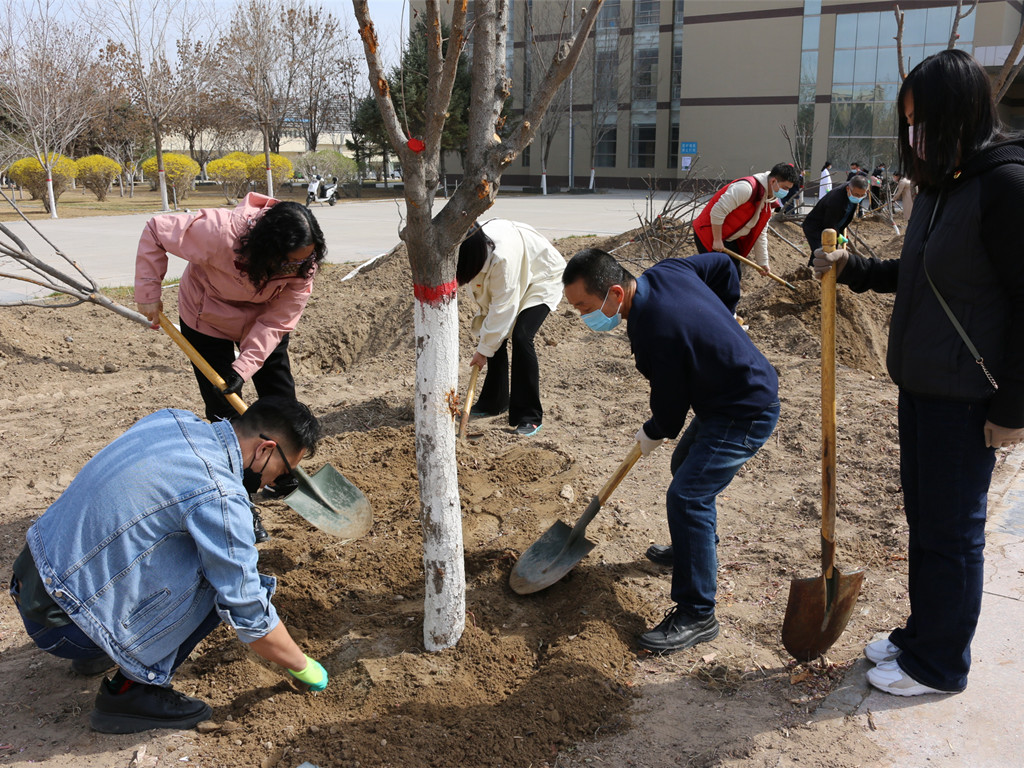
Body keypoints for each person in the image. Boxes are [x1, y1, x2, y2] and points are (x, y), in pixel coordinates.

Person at [812, 49, 1024, 697]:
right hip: (924, 386)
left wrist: (1012, 411)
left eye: (922, 120)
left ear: (959, 112)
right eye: (908, 123)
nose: (914, 135)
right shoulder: (943, 184)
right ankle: (922, 635)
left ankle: (940, 665)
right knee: (926, 524)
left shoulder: (1005, 186)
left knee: (953, 533)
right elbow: (925, 274)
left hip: (967, 397)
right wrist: (856, 269)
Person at [8, 397, 330, 733]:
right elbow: (248, 611)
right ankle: (131, 693)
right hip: (65, 629)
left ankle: (98, 652)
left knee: (163, 535)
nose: (272, 485)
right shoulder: (220, 494)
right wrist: (302, 665)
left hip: (33, 581)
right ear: (264, 450)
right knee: (220, 574)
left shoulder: (171, 420)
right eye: (282, 474)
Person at [562, 248, 780, 654]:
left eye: (585, 307)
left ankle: (698, 614)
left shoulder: (654, 331)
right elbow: (723, 265)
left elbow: (670, 413)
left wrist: (653, 431)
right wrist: (726, 311)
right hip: (725, 397)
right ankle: (693, 549)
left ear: (615, 293)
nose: (583, 316)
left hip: (745, 409)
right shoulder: (667, 271)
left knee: (688, 496)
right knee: (683, 464)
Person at [135, 193, 327, 503]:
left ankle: (281, 472)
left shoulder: (304, 266)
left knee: (280, 398)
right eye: (290, 262)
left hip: (263, 320)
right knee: (222, 406)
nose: (300, 267)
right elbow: (156, 230)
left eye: (305, 260)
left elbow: (276, 323)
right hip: (206, 315)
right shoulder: (218, 232)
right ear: (266, 249)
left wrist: (243, 368)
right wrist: (148, 291)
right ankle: (234, 480)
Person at [458, 219, 566, 436]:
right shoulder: (469, 241)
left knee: (521, 336)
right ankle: (494, 402)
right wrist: (487, 344)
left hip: (542, 277)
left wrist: (483, 352)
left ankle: (529, 416)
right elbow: (495, 315)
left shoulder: (502, 258)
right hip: (517, 272)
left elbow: (503, 310)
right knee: (493, 331)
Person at [691, 162, 799, 279]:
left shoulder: (769, 200)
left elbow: (760, 232)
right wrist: (717, 240)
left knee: (734, 277)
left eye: (788, 189)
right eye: (785, 188)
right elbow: (717, 211)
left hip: (729, 238)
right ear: (773, 181)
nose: (786, 192)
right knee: (720, 279)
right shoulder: (746, 188)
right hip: (709, 233)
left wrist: (763, 262)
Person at [801, 174, 870, 265]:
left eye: (862, 195)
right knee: (822, 253)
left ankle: (813, 269)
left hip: (834, 227)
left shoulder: (853, 194)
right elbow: (828, 223)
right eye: (856, 195)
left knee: (831, 253)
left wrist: (839, 233)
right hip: (815, 227)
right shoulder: (836, 199)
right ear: (848, 189)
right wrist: (838, 236)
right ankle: (812, 271)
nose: (859, 198)